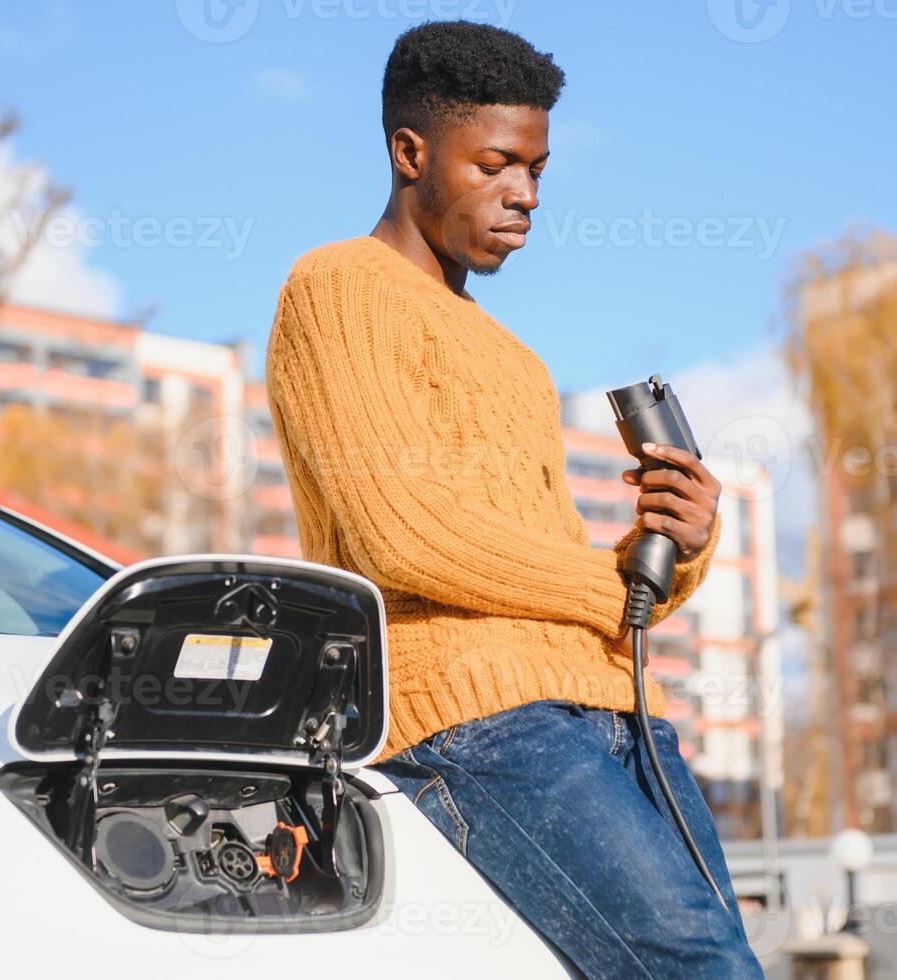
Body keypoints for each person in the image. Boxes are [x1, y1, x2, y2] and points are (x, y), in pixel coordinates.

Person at [265, 19, 763, 979]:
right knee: (700, 967)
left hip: (614, 715)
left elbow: (574, 576)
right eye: (496, 164)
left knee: (719, 958)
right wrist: (612, 586)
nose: (525, 196)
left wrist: (680, 544)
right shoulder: (336, 287)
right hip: (473, 718)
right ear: (411, 153)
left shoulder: (515, 356)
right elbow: (401, 534)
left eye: (536, 169)